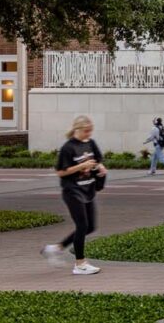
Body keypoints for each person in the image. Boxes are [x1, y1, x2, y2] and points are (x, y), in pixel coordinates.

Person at [41, 115, 107, 275]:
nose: (89, 134)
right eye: (86, 131)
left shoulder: (91, 143)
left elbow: (97, 160)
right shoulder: (68, 147)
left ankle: (56, 248)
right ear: (78, 129)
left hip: (88, 190)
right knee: (82, 225)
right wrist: (81, 166)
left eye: (91, 131)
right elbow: (61, 172)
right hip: (72, 191)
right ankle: (80, 264)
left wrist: (100, 168)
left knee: (91, 226)